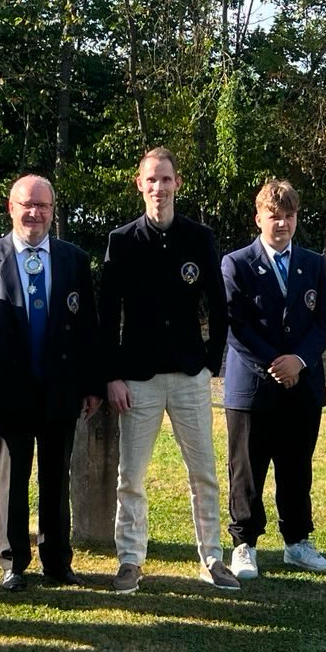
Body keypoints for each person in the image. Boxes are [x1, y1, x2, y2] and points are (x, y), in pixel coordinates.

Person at [99, 148, 239, 594]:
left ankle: (212, 557)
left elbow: (219, 305)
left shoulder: (200, 237)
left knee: (203, 473)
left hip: (188, 374)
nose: (159, 187)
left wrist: (208, 364)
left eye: (166, 179)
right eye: (151, 180)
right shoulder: (121, 241)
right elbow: (107, 315)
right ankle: (129, 560)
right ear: (139, 185)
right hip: (137, 377)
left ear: (178, 183)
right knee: (131, 476)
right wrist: (112, 373)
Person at [0, 175, 100, 593]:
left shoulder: (74, 259)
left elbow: (89, 328)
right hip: (11, 390)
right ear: (11, 207)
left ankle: (57, 561)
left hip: (61, 388)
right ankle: (12, 562)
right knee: (14, 477)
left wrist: (92, 384)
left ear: (52, 211)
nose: (34, 213)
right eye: (27, 205)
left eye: (43, 206)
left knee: (56, 477)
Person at [221, 179, 326, 579]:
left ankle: (297, 542)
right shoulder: (235, 263)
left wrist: (299, 361)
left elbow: (324, 321)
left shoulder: (315, 264)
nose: (282, 224)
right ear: (258, 218)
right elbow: (234, 325)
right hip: (252, 386)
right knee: (247, 469)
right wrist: (276, 363)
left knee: (296, 467)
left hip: (302, 385)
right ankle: (244, 544)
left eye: (289, 216)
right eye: (274, 216)